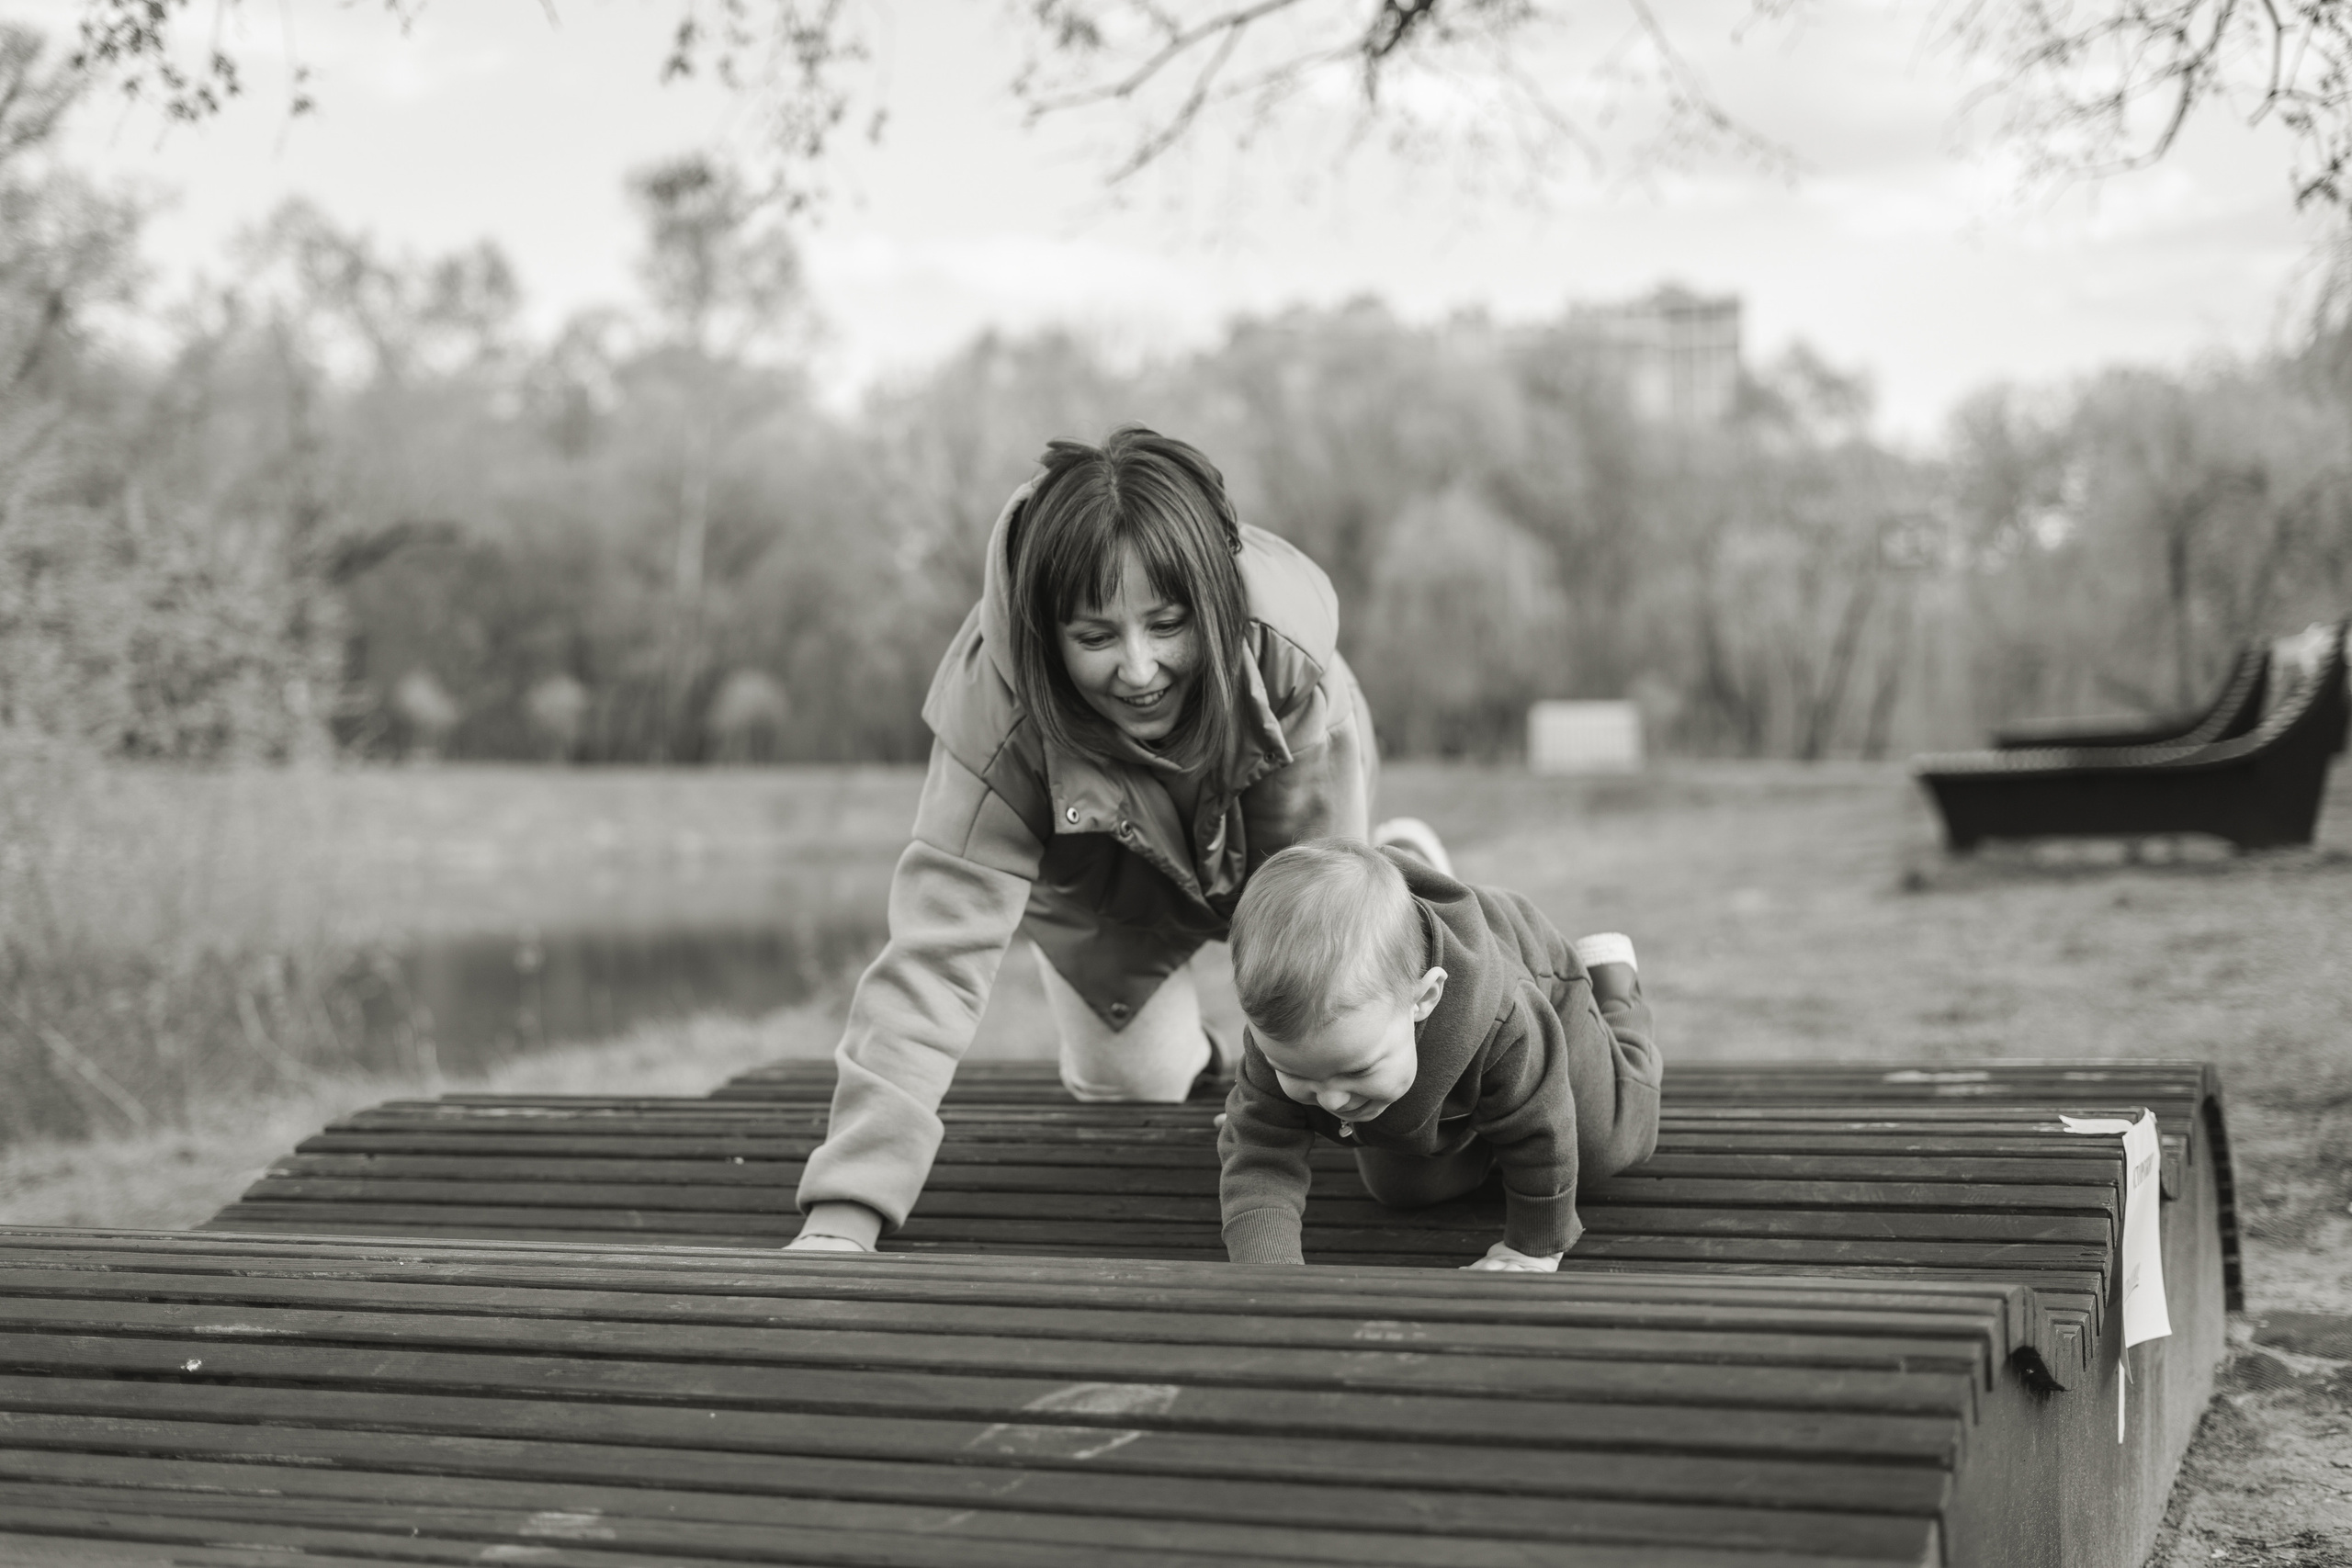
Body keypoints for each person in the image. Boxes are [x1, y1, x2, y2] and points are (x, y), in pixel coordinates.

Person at [787, 425, 1435, 1253]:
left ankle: (1403, 872)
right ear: (1047, 636)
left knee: (1334, 1019)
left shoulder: (1288, 662)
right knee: (1135, 1087)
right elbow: (930, 966)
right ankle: (1190, 1057)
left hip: (1276, 843)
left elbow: (1319, 915)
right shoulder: (996, 723)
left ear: (1213, 602)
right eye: (1096, 637)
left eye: (1168, 625)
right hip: (1106, 878)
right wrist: (847, 1213)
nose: (1138, 669)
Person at [1216, 839, 1662, 1270]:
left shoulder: (1502, 1018)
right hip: (1438, 1062)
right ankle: (1478, 1123)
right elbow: (1259, 1154)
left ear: (1424, 996)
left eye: (1356, 1069)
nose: (1332, 1101)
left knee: (1605, 1146)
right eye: (1296, 1074)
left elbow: (1541, 1126)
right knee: (1405, 1191)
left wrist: (1533, 1248)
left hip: (1545, 991)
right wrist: (1269, 1275)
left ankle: (1615, 994)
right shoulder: (1286, 1034)